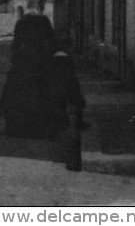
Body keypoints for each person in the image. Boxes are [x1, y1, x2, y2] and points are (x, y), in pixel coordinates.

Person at [0, 0, 57, 138]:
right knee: (43, 92)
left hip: (24, 62)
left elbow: (16, 44)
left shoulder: (21, 22)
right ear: (39, 6)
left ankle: (16, 126)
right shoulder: (44, 21)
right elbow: (51, 42)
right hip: (41, 62)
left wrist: (16, 61)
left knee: (16, 92)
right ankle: (41, 127)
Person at [49, 35, 87, 171]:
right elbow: (73, 78)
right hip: (67, 86)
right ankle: (79, 122)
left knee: (57, 103)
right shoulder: (68, 59)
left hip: (55, 89)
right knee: (79, 102)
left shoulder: (52, 58)